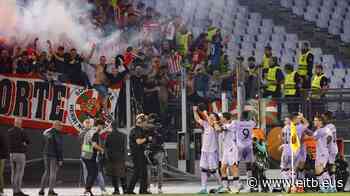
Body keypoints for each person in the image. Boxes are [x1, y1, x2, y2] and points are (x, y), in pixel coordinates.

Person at [192, 106, 223, 194]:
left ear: (215, 119)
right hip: (204, 151)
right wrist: (195, 111)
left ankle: (221, 185)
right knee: (203, 169)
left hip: (212, 151)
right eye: (210, 116)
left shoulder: (216, 125)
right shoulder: (206, 124)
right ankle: (203, 188)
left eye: (212, 117)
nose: (209, 117)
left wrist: (207, 116)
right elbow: (198, 119)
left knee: (213, 170)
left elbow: (218, 129)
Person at [126, 114, 150, 194]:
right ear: (141, 122)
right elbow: (138, 141)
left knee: (142, 172)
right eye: (145, 122)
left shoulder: (138, 130)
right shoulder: (137, 130)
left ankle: (141, 190)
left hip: (138, 153)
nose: (146, 124)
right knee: (139, 172)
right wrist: (147, 138)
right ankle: (133, 190)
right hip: (137, 153)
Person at [39, 121, 64, 196]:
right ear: (56, 125)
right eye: (60, 126)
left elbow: (43, 143)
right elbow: (59, 147)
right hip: (54, 155)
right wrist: (60, 159)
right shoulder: (57, 133)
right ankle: (50, 191)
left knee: (46, 172)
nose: (61, 127)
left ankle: (41, 190)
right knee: (53, 173)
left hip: (46, 155)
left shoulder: (45, 131)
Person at [81, 119, 105, 196]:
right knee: (93, 173)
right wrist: (102, 150)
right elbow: (94, 145)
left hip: (85, 154)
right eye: (102, 126)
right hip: (90, 156)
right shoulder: (95, 133)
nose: (102, 128)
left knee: (91, 173)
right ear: (99, 125)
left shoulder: (89, 131)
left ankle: (88, 190)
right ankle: (87, 190)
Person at [217, 112, 239, 193]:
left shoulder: (231, 124)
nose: (220, 119)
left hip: (232, 149)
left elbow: (218, 129)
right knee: (222, 169)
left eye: (222, 117)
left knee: (234, 168)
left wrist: (215, 122)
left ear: (225, 118)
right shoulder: (224, 124)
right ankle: (226, 187)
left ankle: (236, 187)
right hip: (226, 150)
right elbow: (219, 129)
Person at [8, 118, 30, 196]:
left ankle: (14, 191)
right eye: (20, 123)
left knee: (13, 173)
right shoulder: (22, 131)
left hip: (12, 154)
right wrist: (23, 143)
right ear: (20, 123)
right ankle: (18, 191)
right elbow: (28, 141)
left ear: (14, 123)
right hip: (20, 154)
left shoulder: (9, 131)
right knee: (19, 173)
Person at [105, 121, 128, 195]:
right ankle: (125, 190)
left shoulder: (108, 136)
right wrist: (125, 158)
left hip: (111, 158)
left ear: (111, 126)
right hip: (121, 157)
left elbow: (106, 147)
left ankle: (116, 190)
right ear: (117, 126)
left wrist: (107, 157)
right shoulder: (123, 135)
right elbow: (125, 148)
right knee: (122, 174)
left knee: (114, 175)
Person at [236, 111, 256, 192]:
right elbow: (255, 122)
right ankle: (250, 185)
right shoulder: (251, 123)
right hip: (249, 146)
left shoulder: (237, 123)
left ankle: (238, 183)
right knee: (248, 166)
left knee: (236, 164)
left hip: (240, 146)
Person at [313, 115, 332, 193]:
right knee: (320, 171)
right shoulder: (326, 129)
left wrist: (324, 145)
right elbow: (330, 137)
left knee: (319, 170)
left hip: (322, 153)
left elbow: (314, 137)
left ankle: (325, 187)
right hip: (321, 152)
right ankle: (328, 187)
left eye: (315, 120)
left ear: (320, 122)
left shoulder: (320, 130)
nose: (314, 122)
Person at [323, 111, 338, 192]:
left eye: (323, 117)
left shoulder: (329, 126)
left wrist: (323, 145)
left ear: (327, 117)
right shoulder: (331, 126)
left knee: (327, 167)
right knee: (330, 167)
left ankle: (331, 186)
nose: (322, 119)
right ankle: (332, 186)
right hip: (333, 148)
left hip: (330, 149)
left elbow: (329, 137)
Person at [0, 122, 9, 196]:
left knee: (0, 174)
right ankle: (1, 189)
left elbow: (4, 146)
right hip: (3, 157)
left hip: (1, 157)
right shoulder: (2, 134)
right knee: (0, 174)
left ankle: (1, 189)